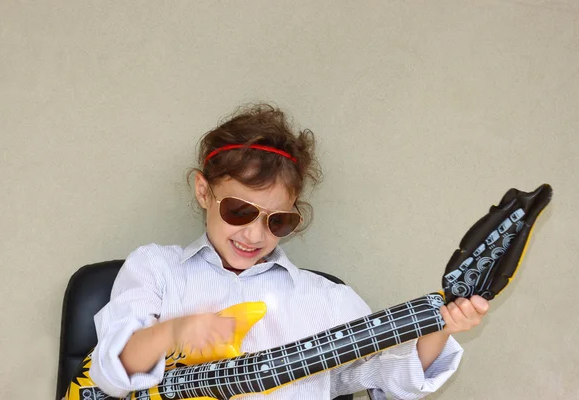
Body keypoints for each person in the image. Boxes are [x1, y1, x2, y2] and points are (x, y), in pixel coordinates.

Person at [89, 104, 489, 399]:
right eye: (239, 210)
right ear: (204, 191)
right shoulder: (157, 268)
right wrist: (172, 333)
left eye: (277, 220)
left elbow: (389, 375)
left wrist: (442, 323)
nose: (254, 233)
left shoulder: (327, 300)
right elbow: (109, 374)